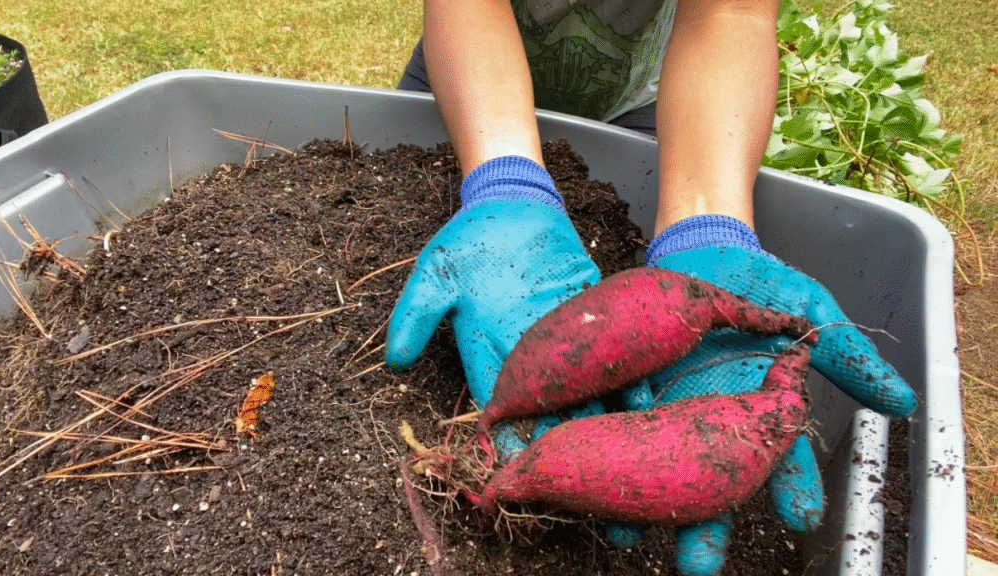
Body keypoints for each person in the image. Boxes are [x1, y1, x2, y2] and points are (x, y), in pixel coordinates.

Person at [384, 1, 918, 575]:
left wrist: (705, 220)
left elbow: (732, 13)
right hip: (466, 72)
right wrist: (503, 179)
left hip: (644, 94)